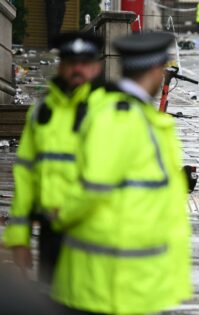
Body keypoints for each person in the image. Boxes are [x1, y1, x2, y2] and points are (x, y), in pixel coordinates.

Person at [50, 32, 192, 315]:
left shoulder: (131, 113)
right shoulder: (122, 118)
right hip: (111, 283)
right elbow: (95, 184)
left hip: (127, 280)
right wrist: (60, 214)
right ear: (155, 70)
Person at [3, 32, 104, 286]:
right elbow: (26, 176)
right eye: (71, 63)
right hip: (52, 232)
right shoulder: (43, 112)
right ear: (61, 66)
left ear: (97, 67)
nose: (77, 70)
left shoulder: (111, 112)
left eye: (85, 63)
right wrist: (18, 236)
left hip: (96, 232)